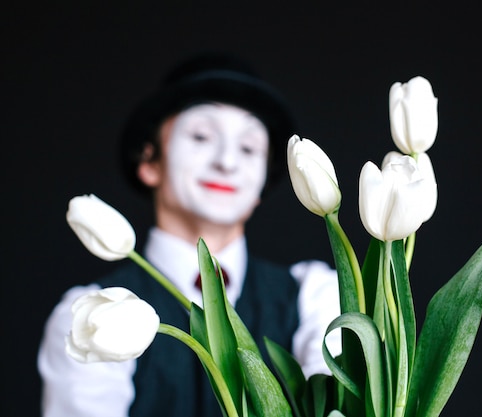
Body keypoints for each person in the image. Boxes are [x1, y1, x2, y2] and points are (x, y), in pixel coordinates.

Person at [37, 52, 341, 417]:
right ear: (149, 161)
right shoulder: (95, 315)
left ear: (263, 183)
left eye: (249, 148)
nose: (227, 162)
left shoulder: (314, 297)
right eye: (200, 136)